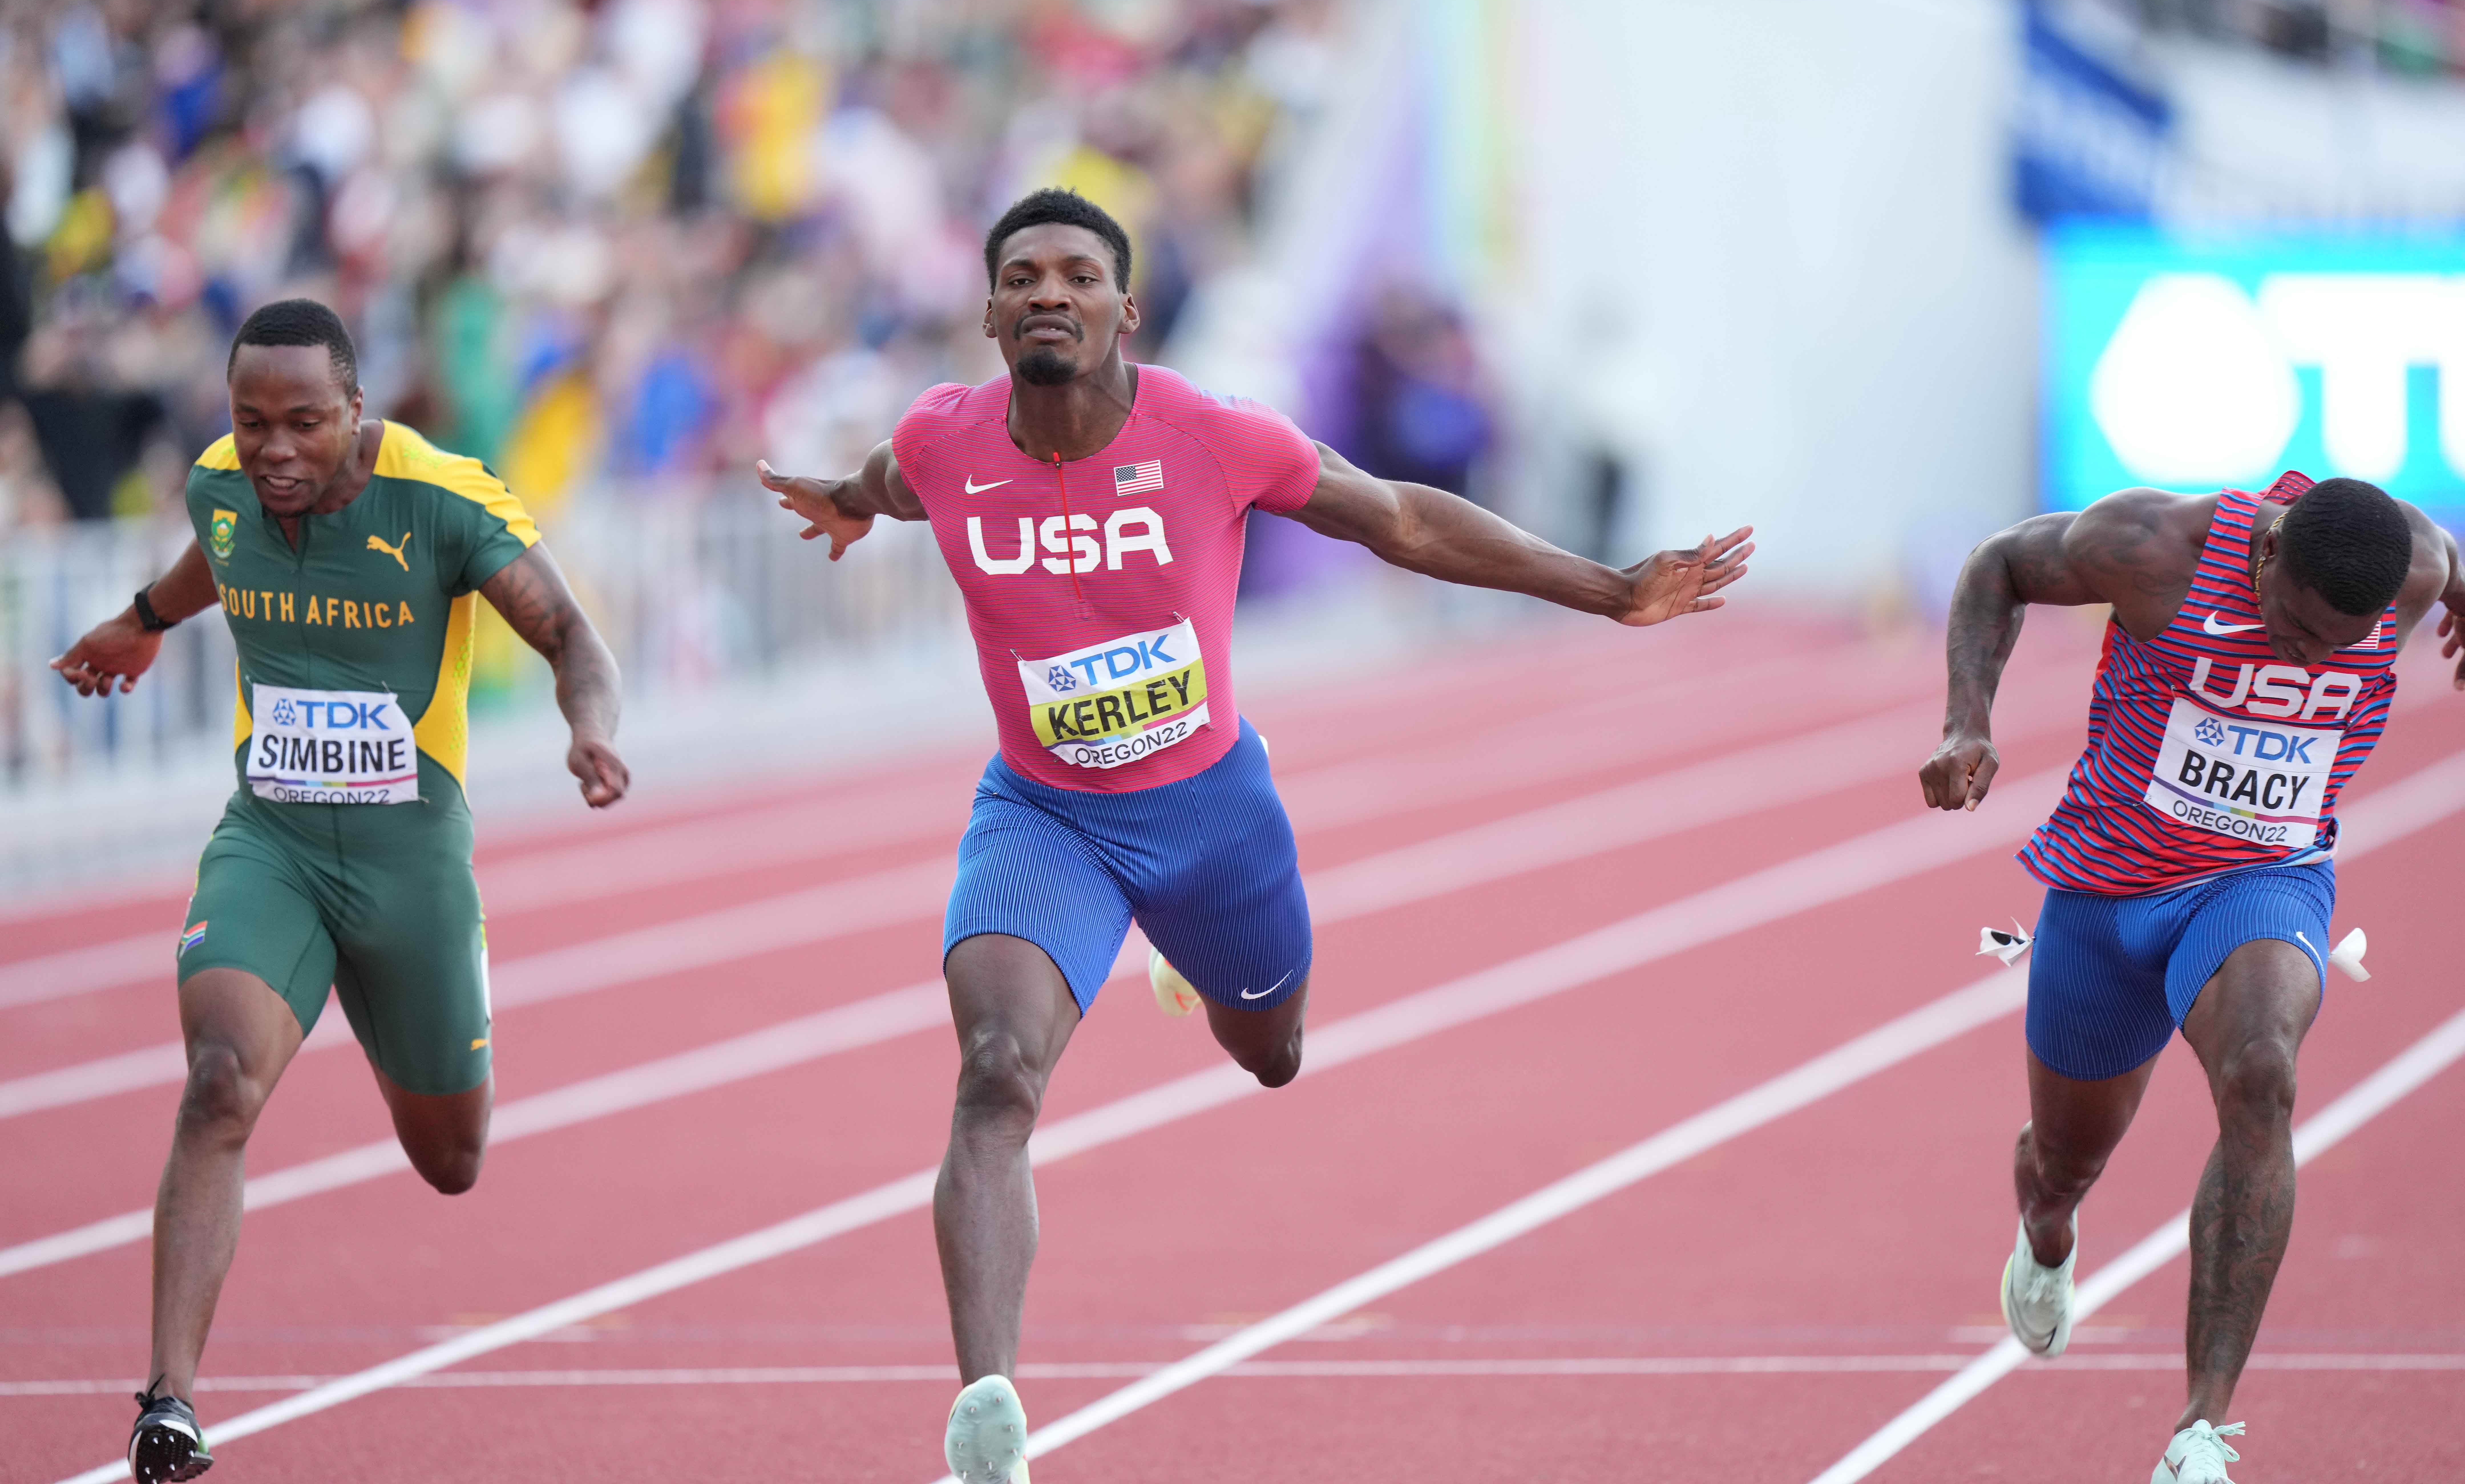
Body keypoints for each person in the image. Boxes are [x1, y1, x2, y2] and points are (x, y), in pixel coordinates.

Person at [756, 188, 1753, 1483]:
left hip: (1211, 814)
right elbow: (895, 481)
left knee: (1271, 1056)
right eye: (1023, 276)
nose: (1049, 291)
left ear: (1125, 310)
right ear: (991, 313)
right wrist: (847, 499)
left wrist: (1608, 589)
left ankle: (1190, 954)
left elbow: (1400, 516)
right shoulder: (943, 440)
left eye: (1077, 275)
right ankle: (988, 1419)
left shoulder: (1211, 436)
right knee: (997, 1071)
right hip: (1044, 814)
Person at [50, 298, 630, 1483]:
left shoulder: (441, 498)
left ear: (356, 413)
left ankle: (448, 979)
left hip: (410, 862)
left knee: (452, 1160)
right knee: (219, 1082)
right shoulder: (222, 486)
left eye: (304, 424)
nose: (273, 450)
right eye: (250, 420)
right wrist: (140, 622)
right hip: (272, 843)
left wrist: (590, 730)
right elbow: (215, 555)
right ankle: (169, 1403)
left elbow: (571, 632)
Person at [1919, 471, 2465, 1484]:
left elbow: (2449, 563)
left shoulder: (2418, 566)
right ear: (2269, 551)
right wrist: (1967, 722)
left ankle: (2200, 1429)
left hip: (2266, 879)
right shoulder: (2154, 546)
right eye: (2295, 630)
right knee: (2064, 1164)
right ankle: (2048, 1232)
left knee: (2264, 1074)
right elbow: (1999, 564)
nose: (2307, 661)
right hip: (2108, 890)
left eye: (2337, 648)